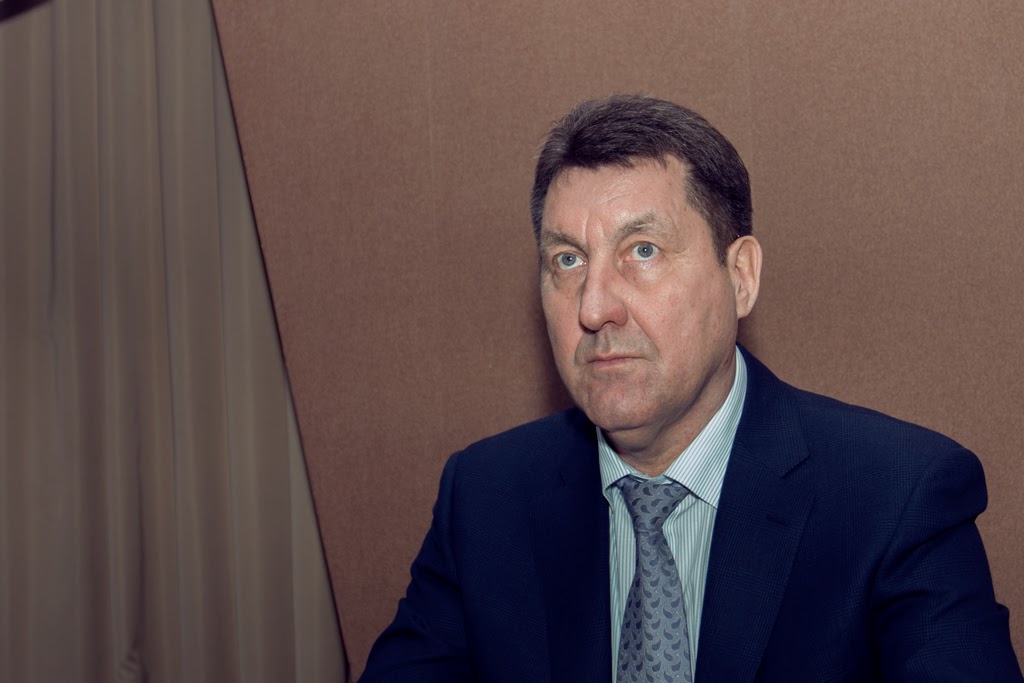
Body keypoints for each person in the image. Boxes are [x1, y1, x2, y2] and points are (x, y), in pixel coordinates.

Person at [360, 94, 1022, 682]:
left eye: (642, 250)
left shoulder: (897, 497)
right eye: (567, 260)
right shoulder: (485, 498)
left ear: (741, 277)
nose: (593, 306)